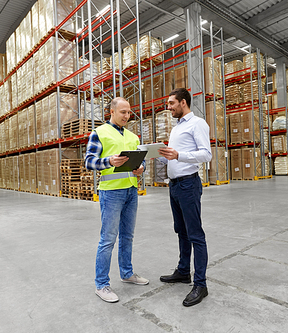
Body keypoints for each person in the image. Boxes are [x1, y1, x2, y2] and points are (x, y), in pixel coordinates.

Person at [85, 97, 149, 303]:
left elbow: (142, 160)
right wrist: (109, 161)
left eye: (129, 112)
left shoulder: (133, 136)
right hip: (111, 192)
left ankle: (127, 273)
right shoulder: (99, 133)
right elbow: (89, 161)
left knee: (127, 236)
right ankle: (101, 284)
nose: (126, 116)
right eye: (122, 112)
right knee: (108, 239)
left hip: (131, 190)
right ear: (111, 112)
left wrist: (142, 168)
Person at [158, 88, 212, 307]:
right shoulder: (177, 127)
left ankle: (201, 284)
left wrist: (178, 155)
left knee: (195, 234)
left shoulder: (197, 123)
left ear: (183, 102)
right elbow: (175, 158)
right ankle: (183, 271)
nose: (168, 107)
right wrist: (160, 155)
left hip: (188, 185)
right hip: (175, 186)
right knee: (181, 231)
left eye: (171, 103)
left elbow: (206, 154)